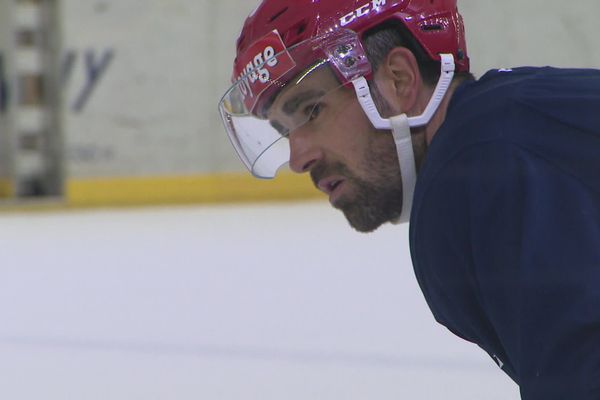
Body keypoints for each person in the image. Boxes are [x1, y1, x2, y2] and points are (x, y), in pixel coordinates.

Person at [218, 0, 600, 398]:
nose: (298, 159)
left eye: (313, 110)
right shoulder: (506, 123)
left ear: (398, 80)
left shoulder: (477, 167)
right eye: (284, 130)